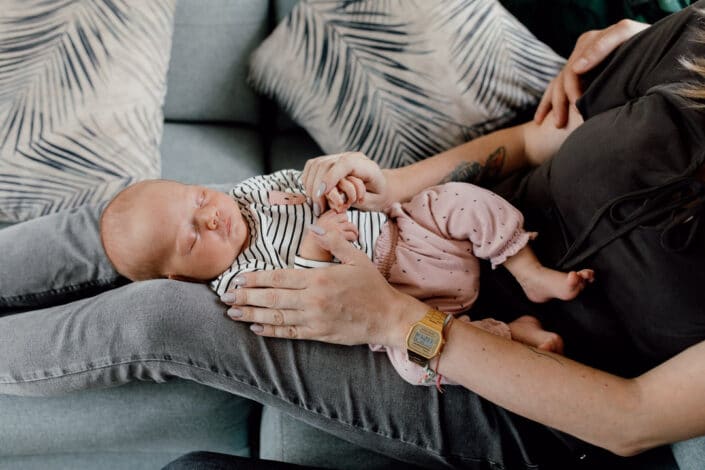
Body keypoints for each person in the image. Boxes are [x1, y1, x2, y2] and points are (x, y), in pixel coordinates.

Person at [1, 4, 704, 469]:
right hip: (458, 230)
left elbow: (630, 419)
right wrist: (387, 188)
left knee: (161, 315)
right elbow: (533, 140)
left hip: (530, 389)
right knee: (127, 223)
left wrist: (400, 320)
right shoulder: (690, 48)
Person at [100, 170, 593, 385]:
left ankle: (529, 272)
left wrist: (337, 188)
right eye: (191, 238)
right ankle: (511, 337)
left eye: (199, 199)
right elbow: (308, 298)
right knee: (417, 364)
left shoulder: (252, 191)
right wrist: (316, 246)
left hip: (410, 231)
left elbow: (307, 183)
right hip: (403, 298)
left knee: (456, 198)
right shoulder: (237, 281)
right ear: (179, 277)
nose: (209, 218)